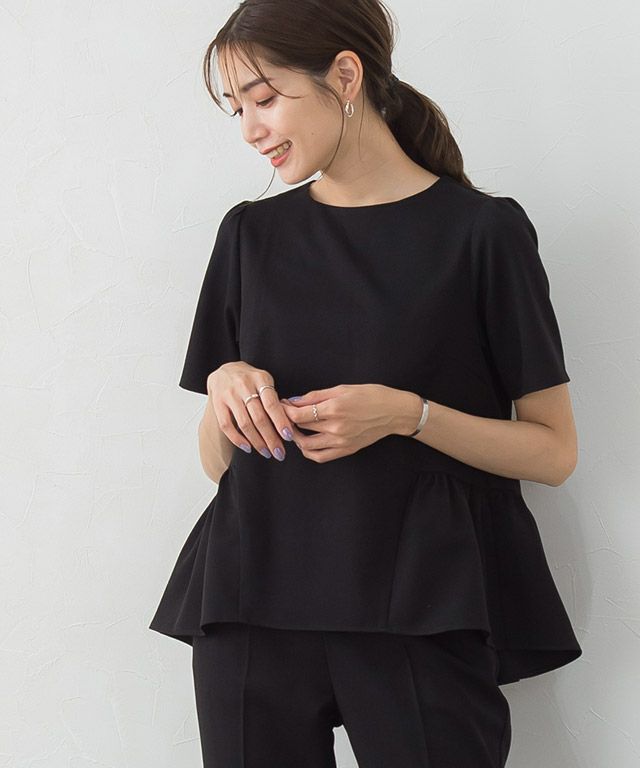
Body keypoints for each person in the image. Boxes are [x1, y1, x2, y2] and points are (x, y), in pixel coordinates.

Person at [149, 1, 582, 765]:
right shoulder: (250, 235)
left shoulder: (482, 233)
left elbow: (553, 452)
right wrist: (226, 390)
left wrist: (408, 415)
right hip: (252, 597)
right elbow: (222, 465)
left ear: (345, 75)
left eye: (264, 97)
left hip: (422, 601)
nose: (250, 129)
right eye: (236, 108)